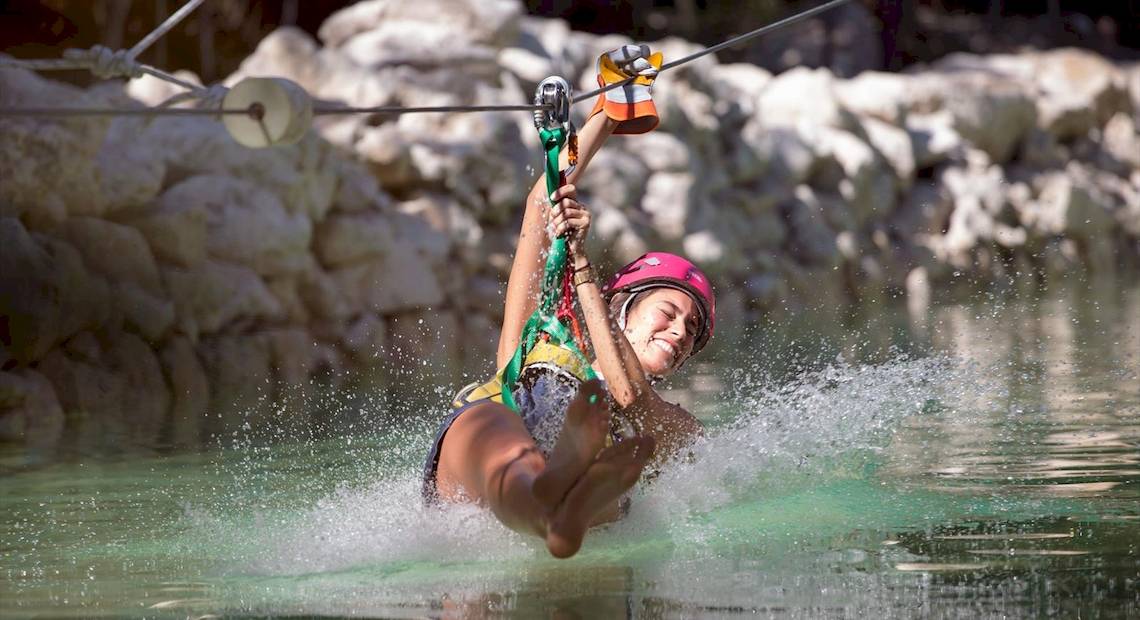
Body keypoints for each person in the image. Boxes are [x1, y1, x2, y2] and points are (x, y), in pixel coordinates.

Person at [421, 46, 716, 559]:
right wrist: (608, 113)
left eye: (691, 332)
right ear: (622, 304)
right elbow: (542, 204)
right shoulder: (550, 328)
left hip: (589, 450)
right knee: (502, 440)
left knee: (615, 448)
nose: (678, 331)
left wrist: (580, 265)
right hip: (490, 436)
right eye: (668, 313)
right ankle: (549, 496)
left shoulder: (678, 424)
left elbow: (632, 399)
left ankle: (561, 501)